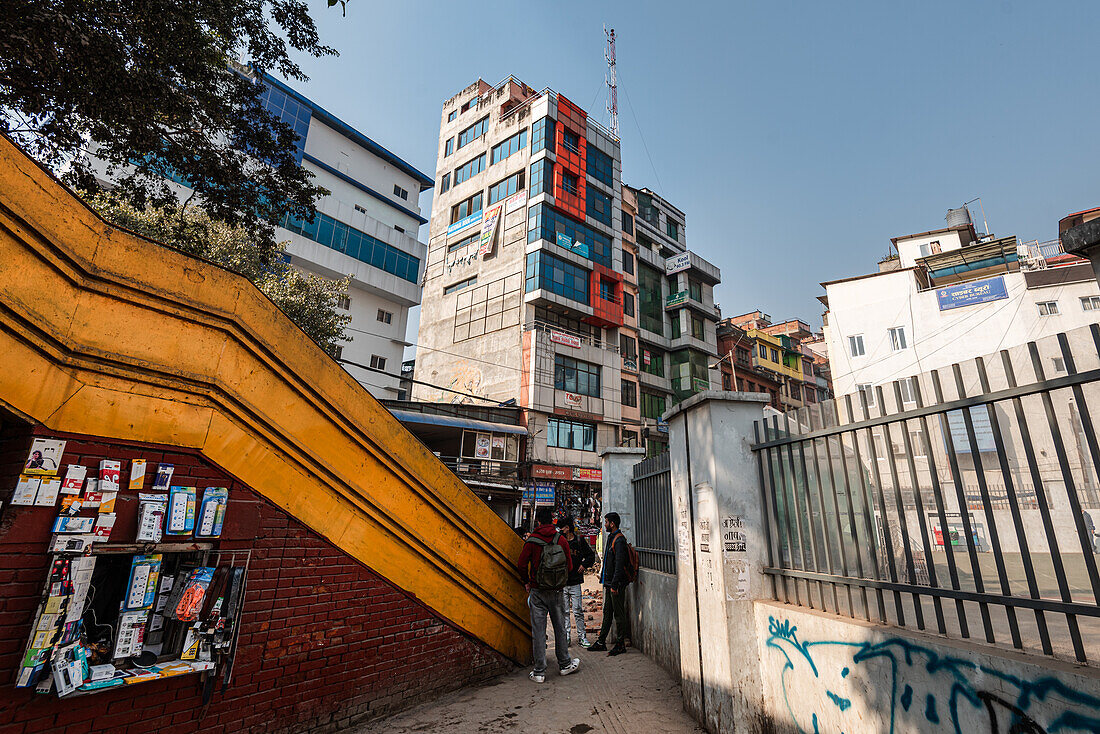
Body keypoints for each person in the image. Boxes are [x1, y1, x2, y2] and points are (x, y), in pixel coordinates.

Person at [517, 506, 580, 683]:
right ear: (552, 520)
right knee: (560, 628)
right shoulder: (561, 540)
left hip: (537, 591)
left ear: (537, 520)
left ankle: (539, 672)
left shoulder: (531, 541)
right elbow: (569, 566)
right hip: (557, 591)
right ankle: (565, 664)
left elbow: (521, 565)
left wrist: (527, 582)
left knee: (538, 631)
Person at [588, 512, 631, 656]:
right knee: (607, 612)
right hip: (609, 582)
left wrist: (615, 584)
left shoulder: (618, 540)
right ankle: (601, 641)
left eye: (606, 522)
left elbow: (619, 565)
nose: (604, 524)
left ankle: (620, 643)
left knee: (618, 614)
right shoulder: (611, 538)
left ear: (612, 523)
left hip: (615, 583)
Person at [557, 517, 596, 647]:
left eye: (562, 528)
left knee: (578, 610)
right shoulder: (560, 541)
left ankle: (582, 637)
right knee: (565, 611)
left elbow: (590, 556)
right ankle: (566, 636)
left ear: (567, 528)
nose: (560, 530)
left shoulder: (579, 541)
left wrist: (584, 565)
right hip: (563, 583)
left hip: (575, 582)